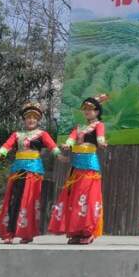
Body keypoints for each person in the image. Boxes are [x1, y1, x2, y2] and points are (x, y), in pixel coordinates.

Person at [0, 102, 63, 244]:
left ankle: (27, 233)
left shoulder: (42, 134)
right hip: (17, 170)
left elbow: (52, 146)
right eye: (28, 117)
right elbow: (6, 146)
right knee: (13, 200)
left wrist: (59, 155)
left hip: (33, 171)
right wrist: (0, 153)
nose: (31, 120)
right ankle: (9, 232)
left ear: (38, 120)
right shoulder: (17, 135)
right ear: (24, 119)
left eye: (34, 117)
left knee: (29, 201)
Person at [49, 94, 109, 244]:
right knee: (75, 199)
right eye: (85, 109)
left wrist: (101, 143)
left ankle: (88, 232)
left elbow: (100, 137)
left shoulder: (99, 125)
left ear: (97, 111)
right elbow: (71, 138)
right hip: (76, 169)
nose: (87, 112)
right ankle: (75, 231)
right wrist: (67, 144)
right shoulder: (79, 127)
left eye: (91, 109)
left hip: (90, 168)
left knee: (87, 199)